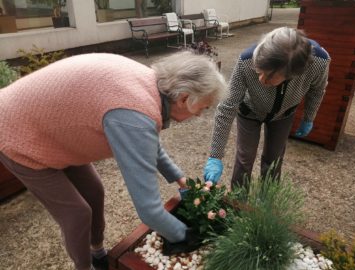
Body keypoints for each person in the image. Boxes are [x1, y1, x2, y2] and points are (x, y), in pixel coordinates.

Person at [0, 52, 226, 270]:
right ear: (184, 98)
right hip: (18, 134)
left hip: (53, 131)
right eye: (202, 108)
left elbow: (148, 143)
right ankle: (84, 266)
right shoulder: (134, 115)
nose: (199, 115)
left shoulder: (149, 86)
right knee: (77, 215)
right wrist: (188, 237)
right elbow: (149, 210)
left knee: (95, 191)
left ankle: (98, 254)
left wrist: (180, 179)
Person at [203, 27, 330, 187]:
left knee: (274, 160)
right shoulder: (246, 61)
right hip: (249, 112)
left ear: (291, 74)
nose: (261, 79)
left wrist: (309, 117)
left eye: (269, 76)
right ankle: (238, 200)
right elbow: (227, 106)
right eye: (259, 70)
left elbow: (317, 91)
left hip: (284, 115)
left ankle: (266, 200)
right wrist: (215, 155)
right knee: (244, 158)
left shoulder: (319, 62)